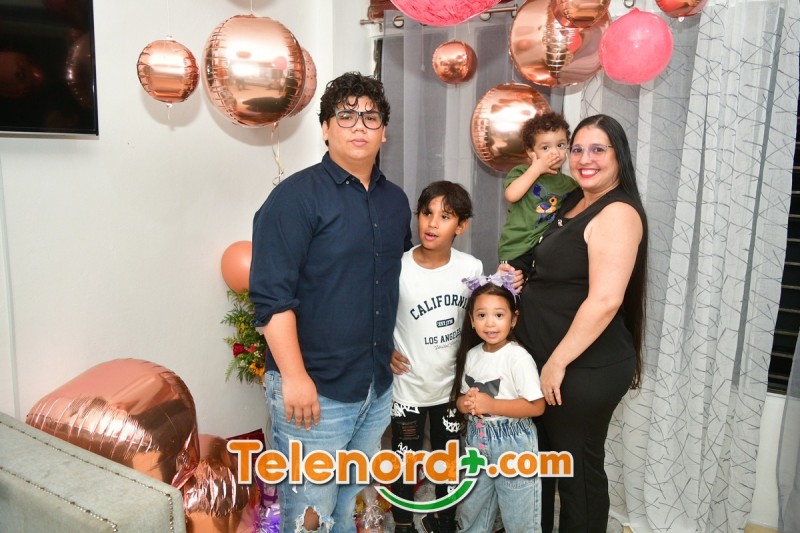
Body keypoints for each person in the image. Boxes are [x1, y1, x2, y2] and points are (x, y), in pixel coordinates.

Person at [248, 71, 413, 533]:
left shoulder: (395, 202)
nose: (359, 126)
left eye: (371, 117)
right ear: (325, 128)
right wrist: (295, 377)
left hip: (374, 388)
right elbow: (271, 298)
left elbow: (382, 282)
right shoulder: (294, 198)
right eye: (346, 116)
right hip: (314, 391)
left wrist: (383, 344)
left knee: (346, 508)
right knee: (310, 517)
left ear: (384, 131)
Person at [509, 114, 648, 533]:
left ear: (618, 156)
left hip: (580, 368)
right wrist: (521, 273)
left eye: (598, 149)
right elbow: (556, 267)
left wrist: (557, 362)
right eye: (578, 149)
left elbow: (605, 300)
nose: (585, 159)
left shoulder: (618, 212)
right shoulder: (573, 200)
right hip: (547, 362)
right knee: (544, 467)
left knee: (577, 477)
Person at [388, 181, 483, 533]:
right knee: (404, 460)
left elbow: (479, 323)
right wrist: (384, 350)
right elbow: (375, 314)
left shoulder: (471, 268)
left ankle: (443, 520)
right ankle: (402, 524)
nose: (432, 223)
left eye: (445, 216)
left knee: (448, 461)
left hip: (451, 390)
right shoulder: (398, 268)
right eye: (427, 213)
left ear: (461, 225)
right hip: (408, 388)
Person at [450, 274, 546, 533]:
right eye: (482, 315)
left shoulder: (517, 357)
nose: (490, 323)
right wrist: (465, 404)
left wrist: (491, 405)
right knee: (472, 509)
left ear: (513, 319)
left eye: (499, 315)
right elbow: (460, 399)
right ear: (472, 320)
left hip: (513, 442)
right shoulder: (472, 355)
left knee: (518, 515)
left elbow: (536, 406)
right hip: (476, 440)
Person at [497, 112, 577, 264]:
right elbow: (512, 195)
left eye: (560, 145)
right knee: (513, 280)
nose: (555, 152)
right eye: (545, 147)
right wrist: (536, 170)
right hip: (516, 249)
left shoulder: (570, 184)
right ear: (531, 152)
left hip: (545, 250)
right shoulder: (522, 172)